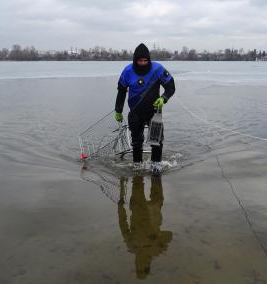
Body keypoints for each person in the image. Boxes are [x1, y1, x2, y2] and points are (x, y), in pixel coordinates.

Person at [114, 43, 175, 175]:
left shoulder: (157, 69)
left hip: (154, 113)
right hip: (135, 113)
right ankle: (137, 167)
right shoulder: (127, 71)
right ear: (135, 60)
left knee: (156, 142)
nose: (142, 63)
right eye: (140, 60)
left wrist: (163, 98)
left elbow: (171, 87)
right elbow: (121, 91)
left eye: (145, 60)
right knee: (136, 142)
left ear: (149, 60)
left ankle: (156, 168)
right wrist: (118, 110)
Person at [117, 176, 172, 279]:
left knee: (139, 177)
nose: (140, 263)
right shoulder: (154, 249)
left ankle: (144, 166)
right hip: (152, 209)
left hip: (141, 208)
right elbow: (170, 235)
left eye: (139, 266)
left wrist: (120, 207)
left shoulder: (132, 245)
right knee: (154, 175)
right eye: (142, 267)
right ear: (148, 265)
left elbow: (122, 223)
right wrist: (159, 240)